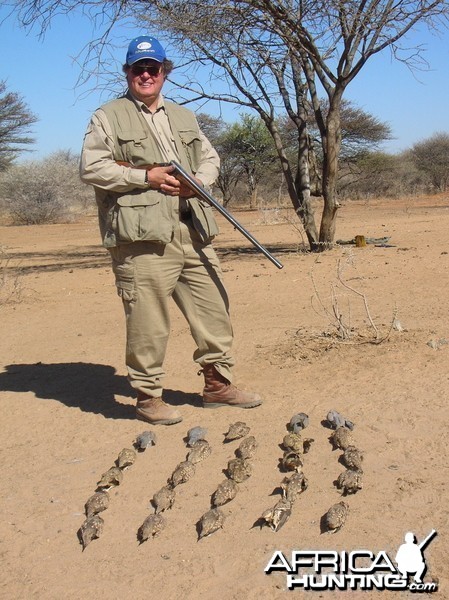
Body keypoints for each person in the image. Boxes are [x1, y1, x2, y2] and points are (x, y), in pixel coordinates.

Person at [80, 35, 262, 425]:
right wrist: (145, 176)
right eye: (138, 68)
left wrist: (199, 181)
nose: (146, 75)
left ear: (165, 72)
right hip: (141, 237)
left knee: (215, 308)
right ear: (127, 73)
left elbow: (210, 157)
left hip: (191, 229)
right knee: (148, 320)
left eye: (153, 68)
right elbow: (92, 168)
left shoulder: (184, 115)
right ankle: (148, 398)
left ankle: (217, 385)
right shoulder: (107, 116)